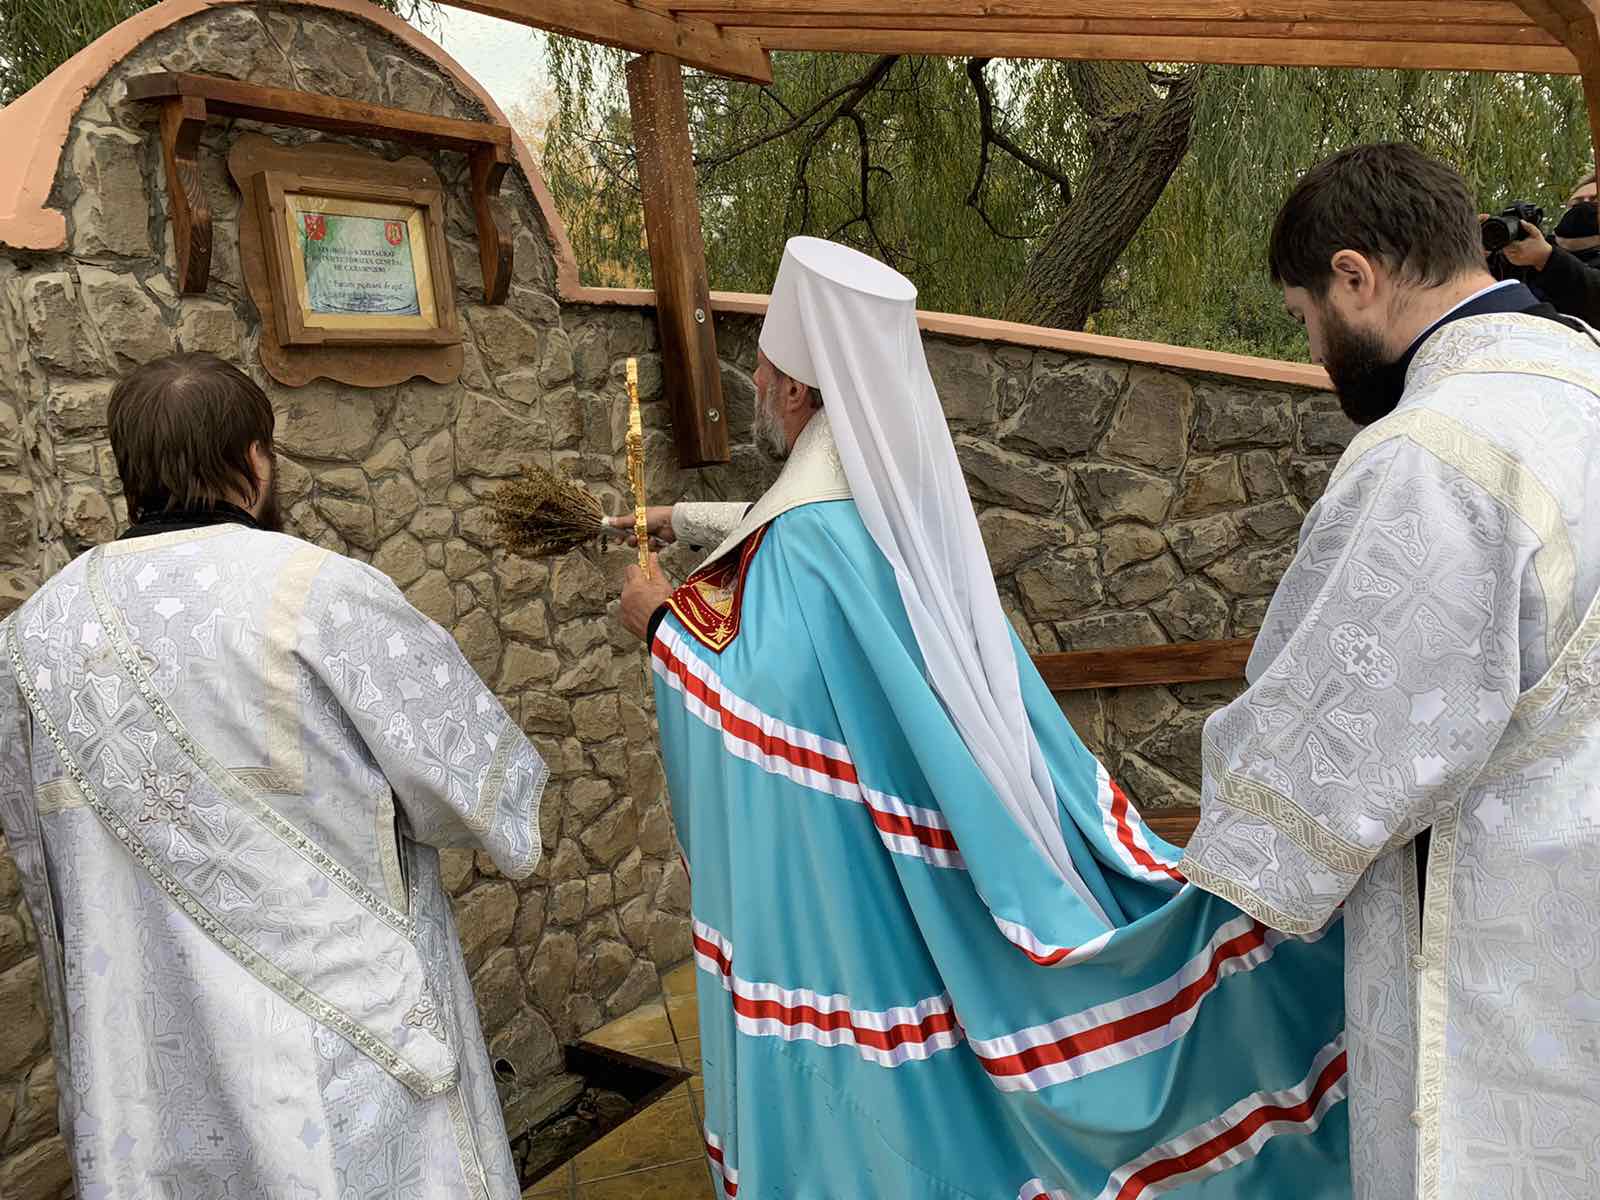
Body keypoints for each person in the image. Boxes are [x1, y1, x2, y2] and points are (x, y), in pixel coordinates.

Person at [614, 238, 1348, 1198]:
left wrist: (657, 625)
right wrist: (682, 523)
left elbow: (761, 707)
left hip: (854, 874)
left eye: (762, 369)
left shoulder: (804, 547)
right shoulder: (902, 508)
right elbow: (789, 542)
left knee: (880, 1059)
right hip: (947, 830)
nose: (754, 384)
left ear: (796, 391)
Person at [0, 353, 546, 1198]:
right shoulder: (320, 592)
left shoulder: (33, 635)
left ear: (128, 470)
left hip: (144, 1059)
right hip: (338, 1038)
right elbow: (475, 792)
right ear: (256, 461)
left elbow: (38, 850)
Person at [1179, 143, 1600, 1198]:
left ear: (1354, 277)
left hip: (1499, 944)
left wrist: (1200, 854)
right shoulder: (1585, 380)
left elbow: (1332, 737)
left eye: (1304, 317)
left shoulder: (1434, 451)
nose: (1314, 348)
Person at [1494, 171, 1600, 324]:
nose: (1584, 205)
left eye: (1595, 201)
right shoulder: (1527, 250)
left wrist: (1546, 259)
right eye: (1576, 203)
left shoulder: (1542, 254)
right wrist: (1481, 253)